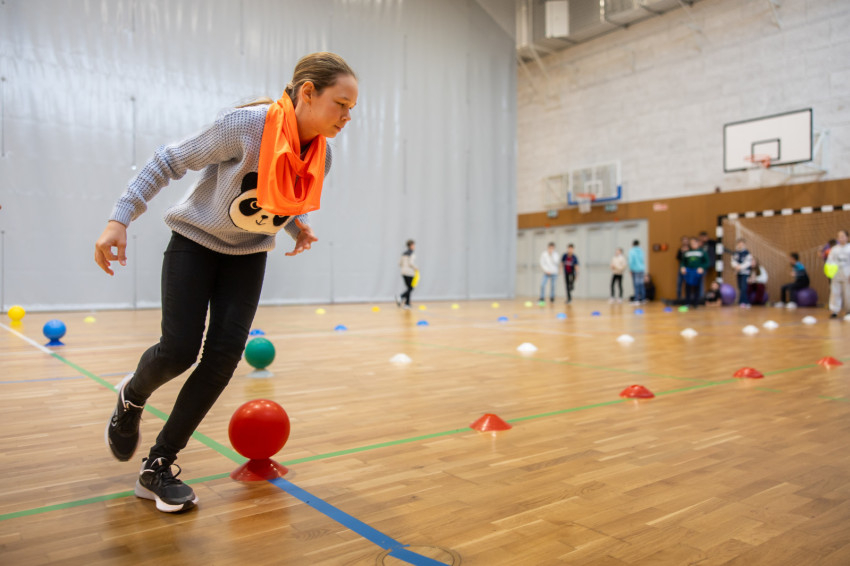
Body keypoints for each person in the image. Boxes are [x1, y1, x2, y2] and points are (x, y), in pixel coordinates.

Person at [95, 52, 358, 513]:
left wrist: (298, 227)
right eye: (341, 104)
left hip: (248, 256)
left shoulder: (323, 154)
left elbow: (278, 198)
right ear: (308, 93)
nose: (347, 116)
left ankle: (158, 465)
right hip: (195, 243)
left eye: (352, 108)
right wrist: (119, 219)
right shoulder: (246, 126)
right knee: (178, 351)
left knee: (221, 361)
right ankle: (132, 396)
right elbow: (168, 160)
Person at [826, 229, 850, 319]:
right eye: (839, 237)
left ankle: (848, 310)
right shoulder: (834, 249)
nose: (841, 238)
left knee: (848, 293)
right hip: (836, 275)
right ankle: (834, 311)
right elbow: (830, 262)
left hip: (847, 276)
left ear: (847, 237)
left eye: (843, 236)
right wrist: (830, 273)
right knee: (835, 293)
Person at [679, 237, 708, 307]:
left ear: (697, 243)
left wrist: (702, 267)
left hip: (697, 272)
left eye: (694, 243)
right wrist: (682, 267)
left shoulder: (702, 252)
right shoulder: (687, 252)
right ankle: (687, 303)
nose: (693, 244)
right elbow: (683, 262)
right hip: (689, 272)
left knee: (697, 287)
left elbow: (707, 262)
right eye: (691, 243)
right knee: (687, 287)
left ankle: (696, 303)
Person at [730, 238, 752, 308]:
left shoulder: (747, 253)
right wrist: (736, 266)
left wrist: (740, 267)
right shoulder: (735, 253)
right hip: (738, 272)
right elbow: (733, 261)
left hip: (745, 272)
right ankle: (742, 301)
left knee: (744, 287)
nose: (740, 245)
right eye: (739, 244)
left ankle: (743, 301)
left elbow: (748, 263)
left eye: (742, 244)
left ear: (744, 245)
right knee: (740, 287)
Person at [397, 239, 418, 310]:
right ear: (411, 245)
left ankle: (407, 304)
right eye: (413, 245)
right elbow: (411, 263)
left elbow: (399, 263)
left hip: (403, 272)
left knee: (408, 288)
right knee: (411, 288)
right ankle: (401, 297)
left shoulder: (403, 254)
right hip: (410, 273)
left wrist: (404, 267)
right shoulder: (412, 254)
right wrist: (416, 268)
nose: (414, 246)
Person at [628, 240, 646, 304]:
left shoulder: (632, 251)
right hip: (642, 269)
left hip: (635, 269)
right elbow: (642, 260)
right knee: (641, 284)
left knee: (636, 285)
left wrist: (630, 269)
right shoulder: (641, 251)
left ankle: (637, 299)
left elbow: (631, 261)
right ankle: (643, 299)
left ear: (633, 244)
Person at [674, 236, 689, 301]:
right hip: (681, 268)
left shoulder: (690, 249)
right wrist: (682, 252)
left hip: (689, 268)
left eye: (686, 240)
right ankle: (679, 298)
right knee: (679, 283)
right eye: (683, 240)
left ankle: (687, 298)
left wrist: (687, 251)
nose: (685, 242)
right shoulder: (680, 249)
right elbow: (678, 258)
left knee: (688, 284)